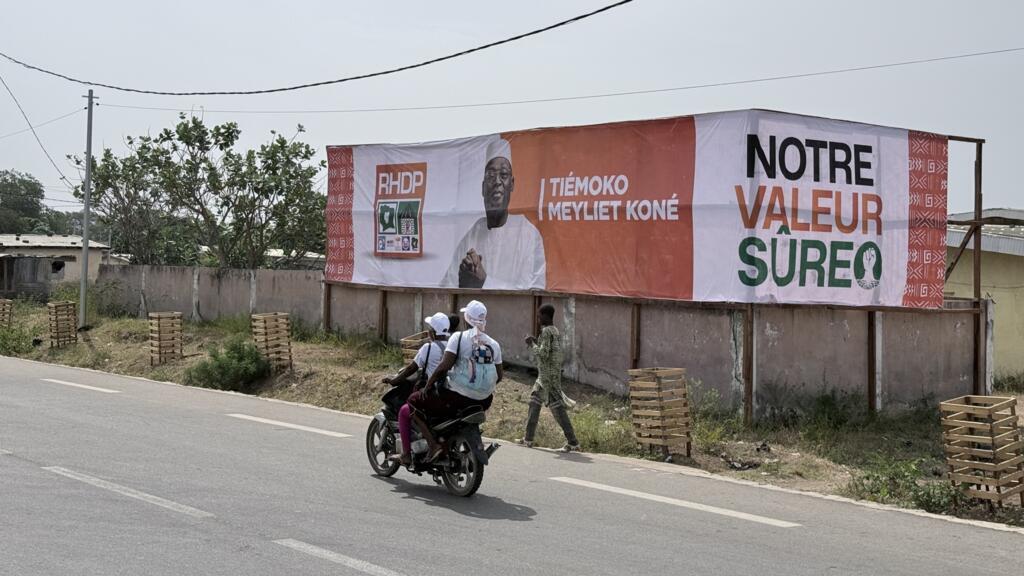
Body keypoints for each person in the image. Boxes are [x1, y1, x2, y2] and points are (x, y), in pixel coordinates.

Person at [405, 300, 503, 462]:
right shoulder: (494, 344)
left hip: (456, 398)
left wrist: (428, 386)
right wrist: (479, 389)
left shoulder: (458, 338)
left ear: (466, 319)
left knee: (413, 400)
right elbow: (499, 376)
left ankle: (433, 444)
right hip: (484, 401)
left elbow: (444, 367)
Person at [445, 137, 546, 290]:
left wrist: (484, 281)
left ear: (511, 184)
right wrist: (463, 280)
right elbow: (447, 285)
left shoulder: (528, 235)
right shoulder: (473, 234)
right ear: (483, 187)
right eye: (491, 176)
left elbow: (534, 294)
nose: (497, 182)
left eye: (503, 175)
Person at [386, 313, 450, 466]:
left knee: (404, 411)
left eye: (429, 329)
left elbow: (410, 369)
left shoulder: (428, 348)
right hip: (449, 394)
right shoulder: (452, 346)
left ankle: (406, 454)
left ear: (432, 332)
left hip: (432, 395)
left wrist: (394, 381)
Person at [517, 304, 580, 452]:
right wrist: (536, 341)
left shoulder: (546, 332)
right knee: (537, 402)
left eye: (539, 316)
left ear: (546, 315)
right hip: (549, 375)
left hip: (547, 377)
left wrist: (531, 344)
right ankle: (529, 438)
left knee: (553, 408)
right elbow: (549, 351)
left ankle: (572, 442)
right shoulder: (554, 331)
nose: (538, 319)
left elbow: (543, 354)